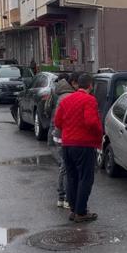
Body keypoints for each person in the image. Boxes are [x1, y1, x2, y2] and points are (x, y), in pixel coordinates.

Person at [54, 73, 102, 223]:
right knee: (85, 178)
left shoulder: (67, 100)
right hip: (84, 144)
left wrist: (68, 131)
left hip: (67, 143)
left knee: (72, 176)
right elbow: (91, 122)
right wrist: (99, 135)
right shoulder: (89, 100)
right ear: (90, 86)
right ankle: (81, 212)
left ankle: (74, 210)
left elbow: (57, 121)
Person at [48, 72, 78, 210]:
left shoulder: (57, 92)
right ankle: (65, 197)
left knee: (64, 166)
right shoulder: (67, 96)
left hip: (57, 132)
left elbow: (48, 110)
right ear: (73, 83)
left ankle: (62, 197)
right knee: (66, 167)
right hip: (63, 135)